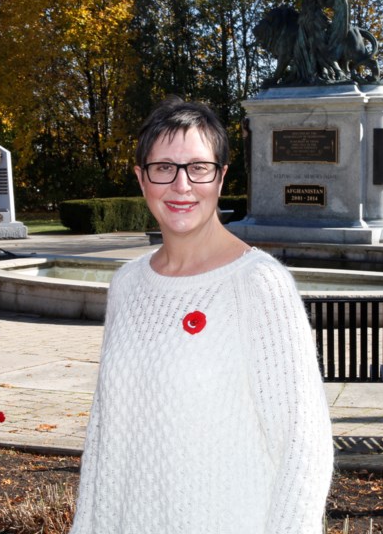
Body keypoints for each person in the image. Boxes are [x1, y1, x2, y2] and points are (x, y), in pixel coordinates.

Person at [70, 97, 334, 533]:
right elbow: (103, 438)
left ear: (221, 176)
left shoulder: (258, 284)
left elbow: (304, 447)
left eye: (198, 167)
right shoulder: (127, 285)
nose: (181, 185)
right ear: (141, 178)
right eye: (163, 168)